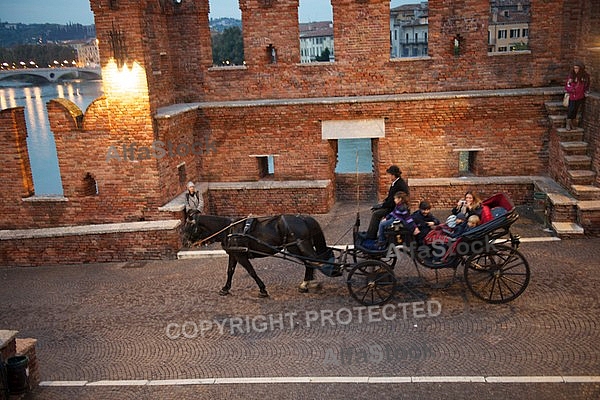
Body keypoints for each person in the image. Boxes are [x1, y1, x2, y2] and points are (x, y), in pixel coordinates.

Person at [366, 165, 410, 239]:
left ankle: (371, 235)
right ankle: (371, 232)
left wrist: (382, 205)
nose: (389, 177)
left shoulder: (399, 184)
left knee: (376, 214)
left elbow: (393, 202)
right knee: (375, 211)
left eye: (390, 175)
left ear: (393, 175)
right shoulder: (395, 183)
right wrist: (384, 202)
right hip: (391, 205)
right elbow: (390, 197)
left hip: (394, 208)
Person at [564, 61, 591, 130]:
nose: (575, 70)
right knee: (571, 109)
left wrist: (586, 91)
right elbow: (567, 85)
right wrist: (571, 90)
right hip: (572, 96)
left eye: (577, 68)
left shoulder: (585, 76)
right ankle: (568, 123)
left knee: (576, 110)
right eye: (574, 68)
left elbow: (586, 85)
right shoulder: (571, 76)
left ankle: (573, 123)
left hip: (580, 96)